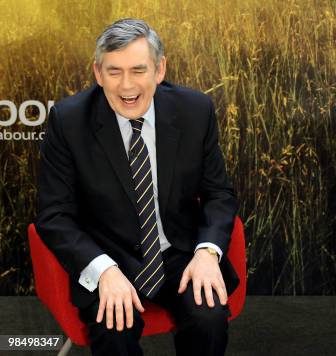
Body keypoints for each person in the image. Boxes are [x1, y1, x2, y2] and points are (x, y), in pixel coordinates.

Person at [35, 18, 238, 356]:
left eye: (138, 70)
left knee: (208, 316)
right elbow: (54, 215)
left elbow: (219, 195)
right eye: (114, 72)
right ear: (98, 74)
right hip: (107, 255)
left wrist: (206, 252)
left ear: (160, 69)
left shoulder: (195, 110)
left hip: (177, 252)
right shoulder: (68, 121)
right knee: (115, 329)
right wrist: (102, 270)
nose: (126, 86)